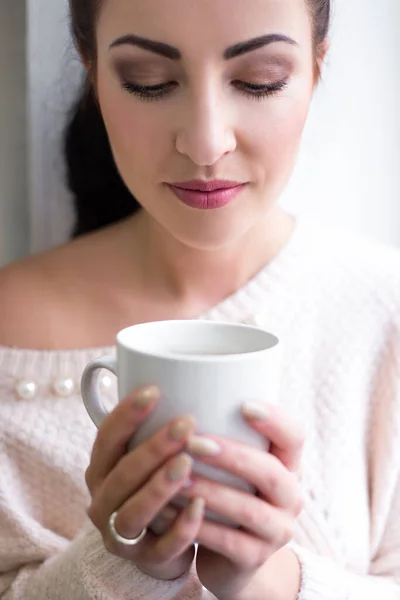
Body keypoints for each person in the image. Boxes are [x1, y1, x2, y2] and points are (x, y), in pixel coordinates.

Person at [0, 0, 399, 598]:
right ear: (92, 70)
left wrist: (268, 578)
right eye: (149, 83)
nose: (206, 143)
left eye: (258, 81)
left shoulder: (381, 309)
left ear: (317, 67)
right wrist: (124, 567)